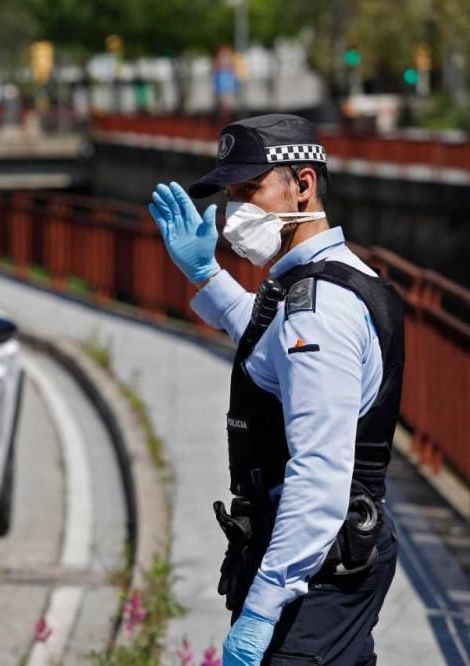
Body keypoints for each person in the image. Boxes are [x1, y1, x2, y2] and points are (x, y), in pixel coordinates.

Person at [147, 114, 405, 665]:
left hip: (317, 569)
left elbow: (317, 473)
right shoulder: (328, 277)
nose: (235, 211)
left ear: (303, 184)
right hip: (326, 558)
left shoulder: (319, 306)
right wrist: (205, 274)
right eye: (230, 194)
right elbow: (274, 353)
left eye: (249, 190)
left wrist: (263, 607)